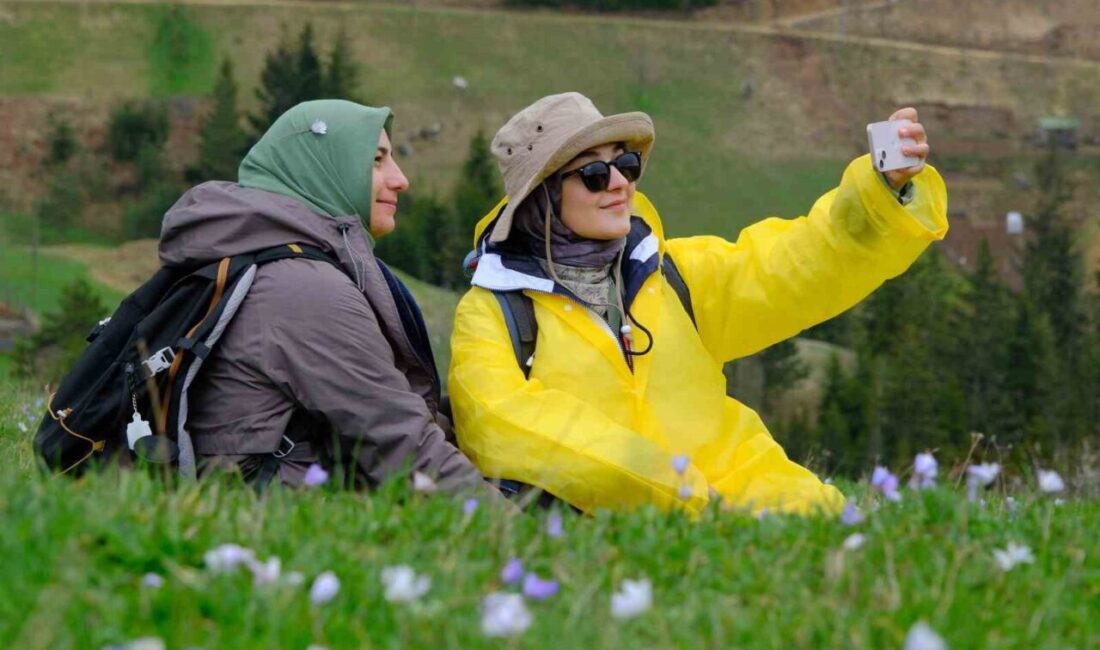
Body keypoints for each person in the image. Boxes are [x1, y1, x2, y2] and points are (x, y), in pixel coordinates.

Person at [448, 92, 947, 516]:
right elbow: (501, 423)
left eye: (625, 164)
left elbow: (802, 263)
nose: (621, 183)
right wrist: (676, 494)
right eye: (595, 174)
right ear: (543, 197)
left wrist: (882, 191)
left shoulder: (674, 275)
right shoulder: (493, 312)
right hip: (626, 541)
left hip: (765, 502)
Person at [158, 100, 491, 495]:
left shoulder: (259, 259)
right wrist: (517, 535)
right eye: (376, 160)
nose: (401, 180)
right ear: (322, 168)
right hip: (275, 528)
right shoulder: (303, 291)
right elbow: (403, 445)